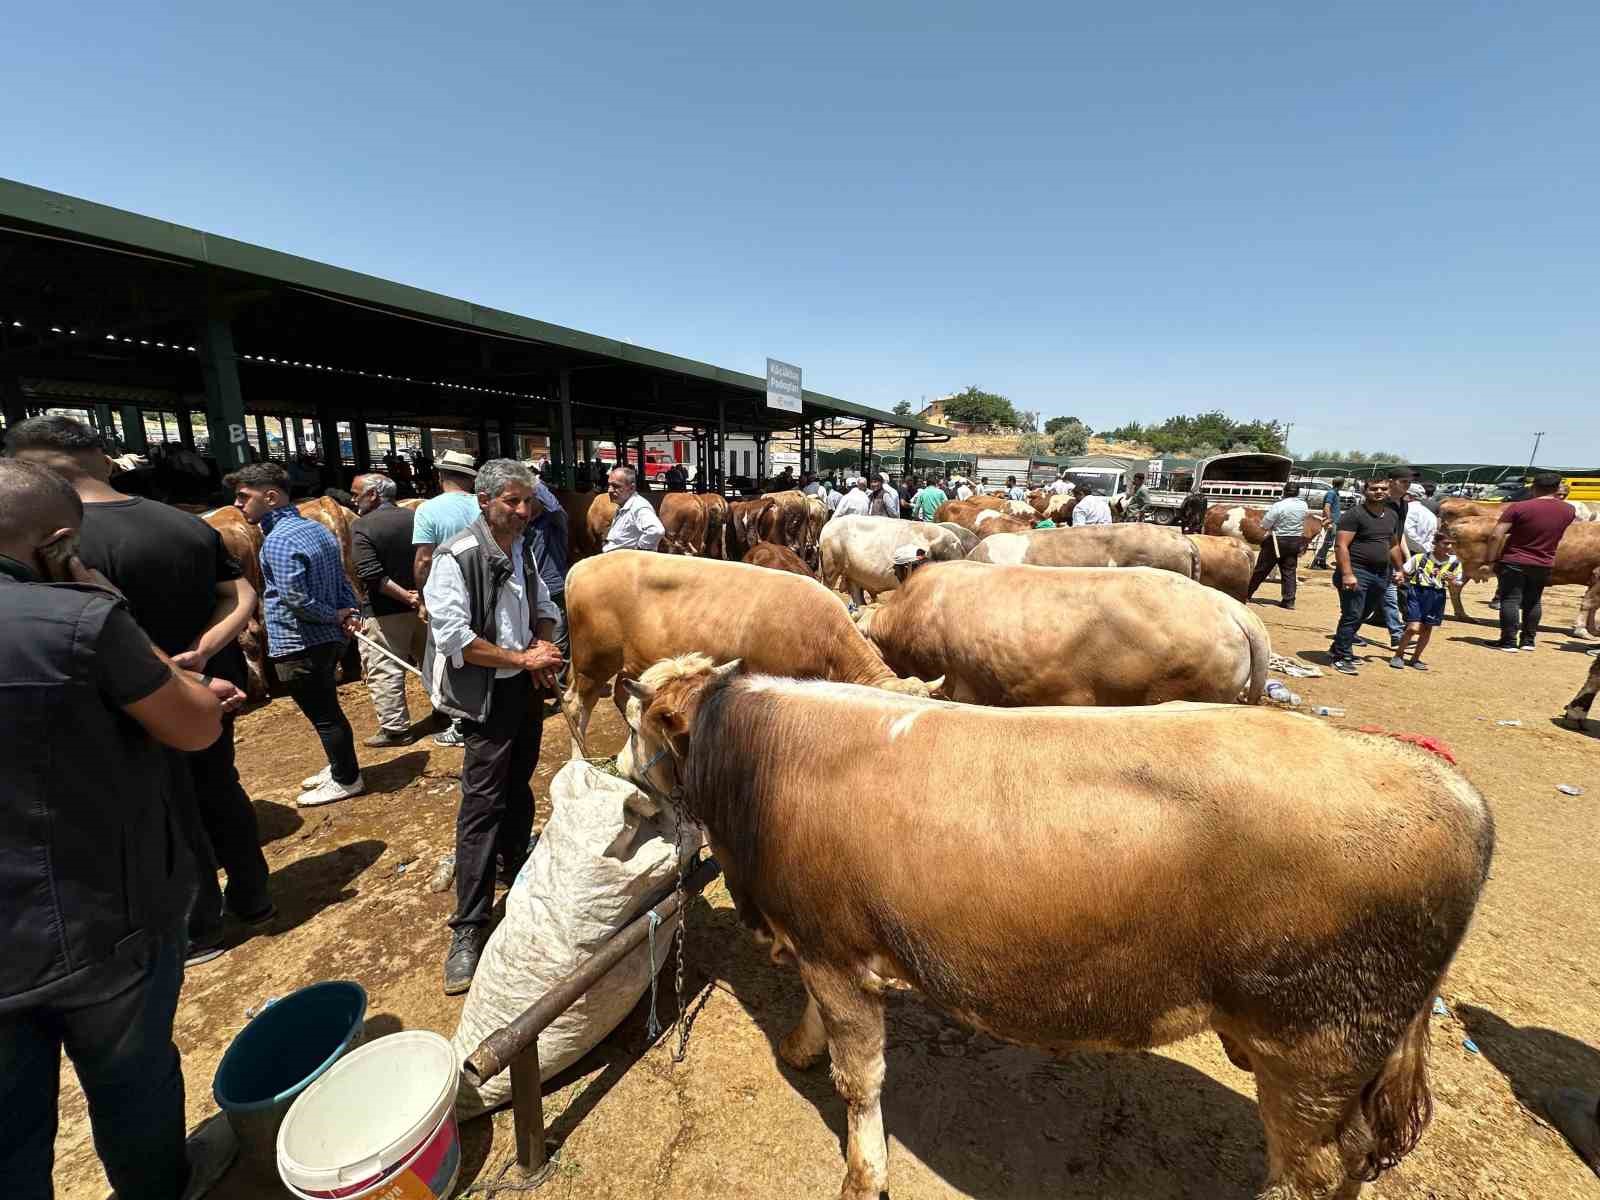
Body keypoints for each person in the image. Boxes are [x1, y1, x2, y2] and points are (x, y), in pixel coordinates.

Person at [0, 459, 239, 1200]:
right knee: (130, 1078)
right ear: (60, 542)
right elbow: (194, 727)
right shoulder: (75, 619)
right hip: (98, 908)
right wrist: (112, 609)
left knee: (9, 1131)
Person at [8, 415, 271, 965]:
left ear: (37, 473)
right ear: (101, 461)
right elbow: (241, 593)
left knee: (164, 806)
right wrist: (201, 652)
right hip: (210, 691)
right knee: (219, 785)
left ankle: (201, 926)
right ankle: (254, 893)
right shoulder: (186, 524)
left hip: (119, 701)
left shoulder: (56, 549)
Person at [421, 460, 563, 993]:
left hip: (521, 689)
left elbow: (544, 602)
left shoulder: (521, 547)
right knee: (481, 803)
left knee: (519, 782)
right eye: (512, 501)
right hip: (487, 694)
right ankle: (468, 926)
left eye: (527, 501)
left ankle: (515, 862)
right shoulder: (456, 556)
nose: (524, 511)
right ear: (484, 502)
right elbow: (455, 637)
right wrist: (522, 659)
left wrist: (544, 645)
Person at [230, 462, 366, 806]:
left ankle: (347, 779)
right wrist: (349, 613)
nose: (237, 504)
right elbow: (341, 580)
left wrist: (334, 615)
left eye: (244, 497)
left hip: (299, 642)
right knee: (329, 711)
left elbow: (296, 599)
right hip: (328, 641)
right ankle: (340, 766)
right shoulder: (316, 530)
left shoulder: (276, 540)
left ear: (271, 497)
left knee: (324, 716)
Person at [413, 450, 486, 745]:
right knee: (483, 648)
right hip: (483, 589)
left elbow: (423, 559)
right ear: (470, 479)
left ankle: (459, 722)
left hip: (448, 591)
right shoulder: (482, 506)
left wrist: (423, 598)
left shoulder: (428, 510)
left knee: (446, 654)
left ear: (441, 476)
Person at [351, 472, 426, 747]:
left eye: (356, 493)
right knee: (432, 661)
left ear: (373, 494)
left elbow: (371, 574)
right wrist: (421, 598)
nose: (352, 499)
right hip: (425, 607)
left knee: (385, 667)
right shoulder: (416, 518)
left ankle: (396, 728)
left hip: (385, 610)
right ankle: (447, 712)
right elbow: (430, 559)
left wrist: (406, 597)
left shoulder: (363, 526)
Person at [1487, 471, 1576, 653]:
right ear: (1556, 488)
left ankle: (1508, 641)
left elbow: (1497, 535)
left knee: (1510, 599)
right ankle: (1528, 641)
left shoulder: (1519, 507)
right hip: (1544, 561)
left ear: (1534, 487)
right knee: (1534, 601)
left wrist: (1490, 559)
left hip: (1514, 559)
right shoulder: (1568, 510)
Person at [1329, 478, 1406, 675]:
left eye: (1383, 489)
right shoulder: (1354, 515)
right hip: (1356, 572)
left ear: (1389, 491)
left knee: (1364, 613)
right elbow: (1341, 545)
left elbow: (1393, 544)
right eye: (1374, 488)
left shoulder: (1391, 515)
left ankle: (1337, 647)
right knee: (1352, 613)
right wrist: (1347, 574)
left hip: (1381, 574)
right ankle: (1341, 656)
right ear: (1365, 491)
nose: (1379, 492)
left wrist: (1399, 569)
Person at [1391, 534, 1463, 671]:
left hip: (1437, 596)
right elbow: (1404, 571)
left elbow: (1457, 584)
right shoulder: (1420, 558)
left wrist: (1452, 580)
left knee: (1427, 628)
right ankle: (1399, 654)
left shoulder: (1455, 563)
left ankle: (1415, 658)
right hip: (1417, 593)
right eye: (1445, 543)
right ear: (1435, 543)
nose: (1449, 547)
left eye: (1451, 544)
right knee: (1413, 627)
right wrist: (1399, 576)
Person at [1246, 482, 1309, 609]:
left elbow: (1265, 524)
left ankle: (1246, 594)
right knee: (1289, 571)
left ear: (1285, 492)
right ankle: (1289, 601)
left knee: (1261, 569)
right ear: (1297, 493)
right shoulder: (1303, 505)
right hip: (1294, 540)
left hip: (1277, 540)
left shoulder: (1279, 505)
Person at [601, 465, 666, 551]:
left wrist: (638, 551)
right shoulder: (624, 506)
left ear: (631, 488)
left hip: (624, 562)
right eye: (609, 485)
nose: (610, 490)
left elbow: (656, 530)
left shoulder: (638, 507)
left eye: (616, 486)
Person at [1310, 477, 1346, 569]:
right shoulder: (1331, 493)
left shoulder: (1335, 493)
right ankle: (1317, 562)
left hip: (1335, 521)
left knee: (1328, 543)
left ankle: (1321, 561)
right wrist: (1329, 520)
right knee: (1326, 542)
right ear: (1341, 484)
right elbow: (1327, 507)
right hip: (1332, 522)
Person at [1403, 485, 1439, 555]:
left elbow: (1407, 533)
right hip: (1425, 551)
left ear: (1408, 496)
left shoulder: (1408, 510)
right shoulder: (1430, 514)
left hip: (1412, 552)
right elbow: (1433, 533)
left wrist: (1421, 548)